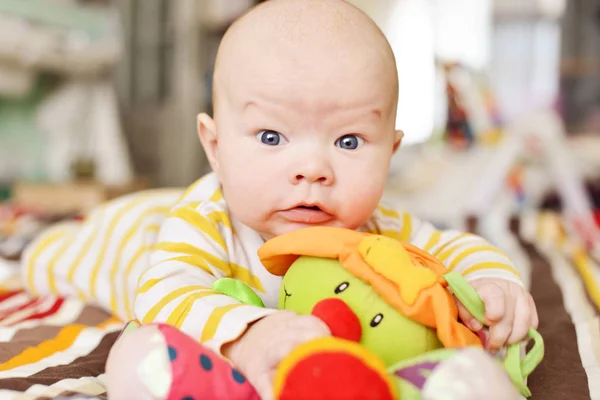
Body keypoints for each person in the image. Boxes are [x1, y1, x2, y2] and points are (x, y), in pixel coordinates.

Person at [22, 1, 538, 398]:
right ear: (216, 148)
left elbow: (453, 248)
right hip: (125, 234)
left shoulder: (377, 229)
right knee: (47, 253)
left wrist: (498, 284)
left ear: (391, 153)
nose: (312, 169)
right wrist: (248, 336)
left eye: (349, 141)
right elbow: (162, 297)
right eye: (271, 137)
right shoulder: (208, 219)